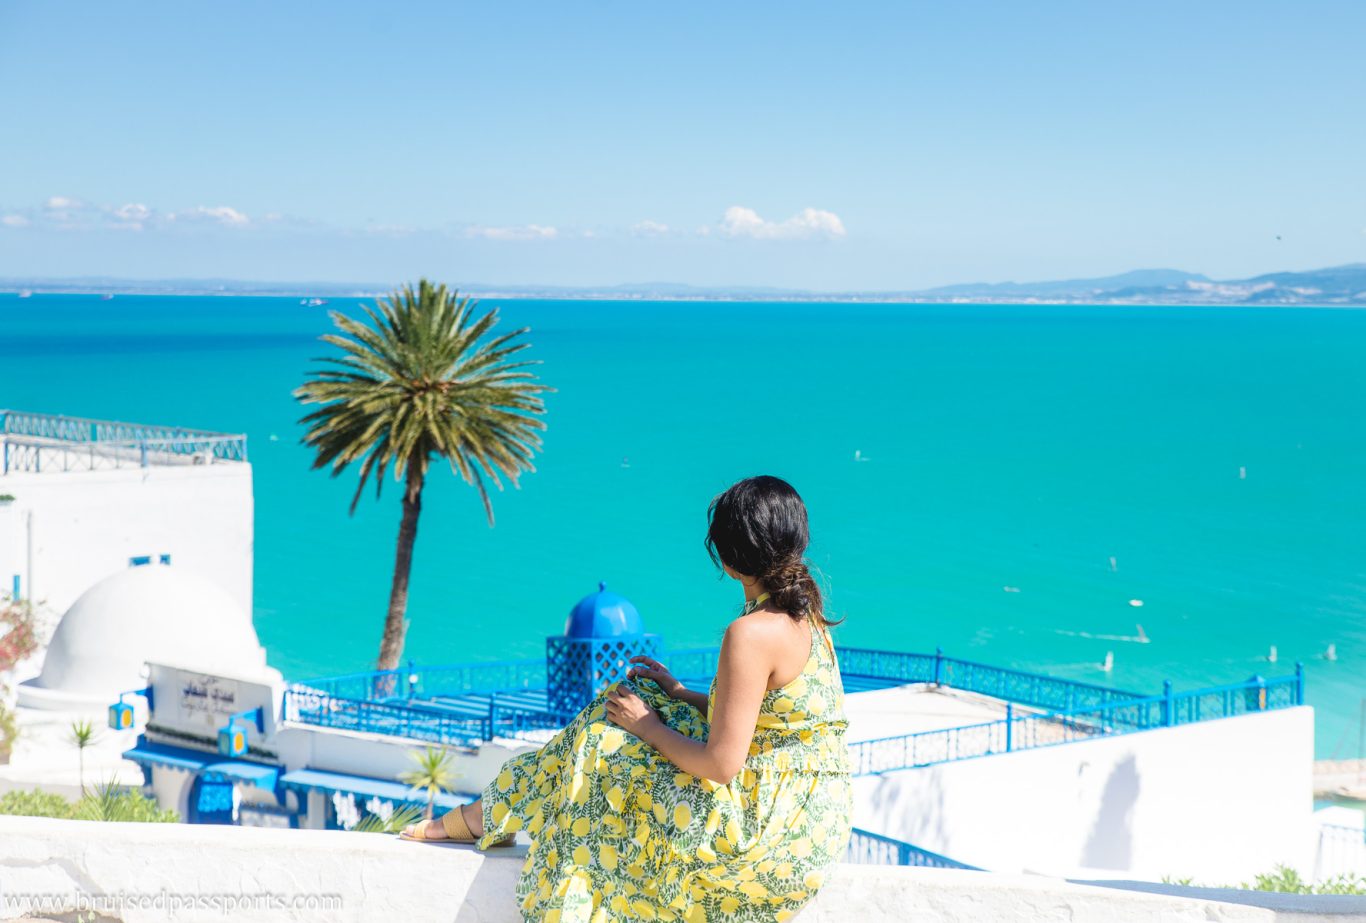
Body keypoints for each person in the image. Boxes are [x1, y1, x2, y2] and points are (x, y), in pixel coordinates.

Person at [402, 475, 852, 922]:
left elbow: (721, 764)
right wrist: (677, 694)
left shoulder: (751, 633)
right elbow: (769, 721)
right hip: (813, 821)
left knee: (602, 739)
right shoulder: (807, 615)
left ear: (731, 561)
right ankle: (493, 813)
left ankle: (491, 815)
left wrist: (648, 727)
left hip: (768, 836)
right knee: (630, 704)